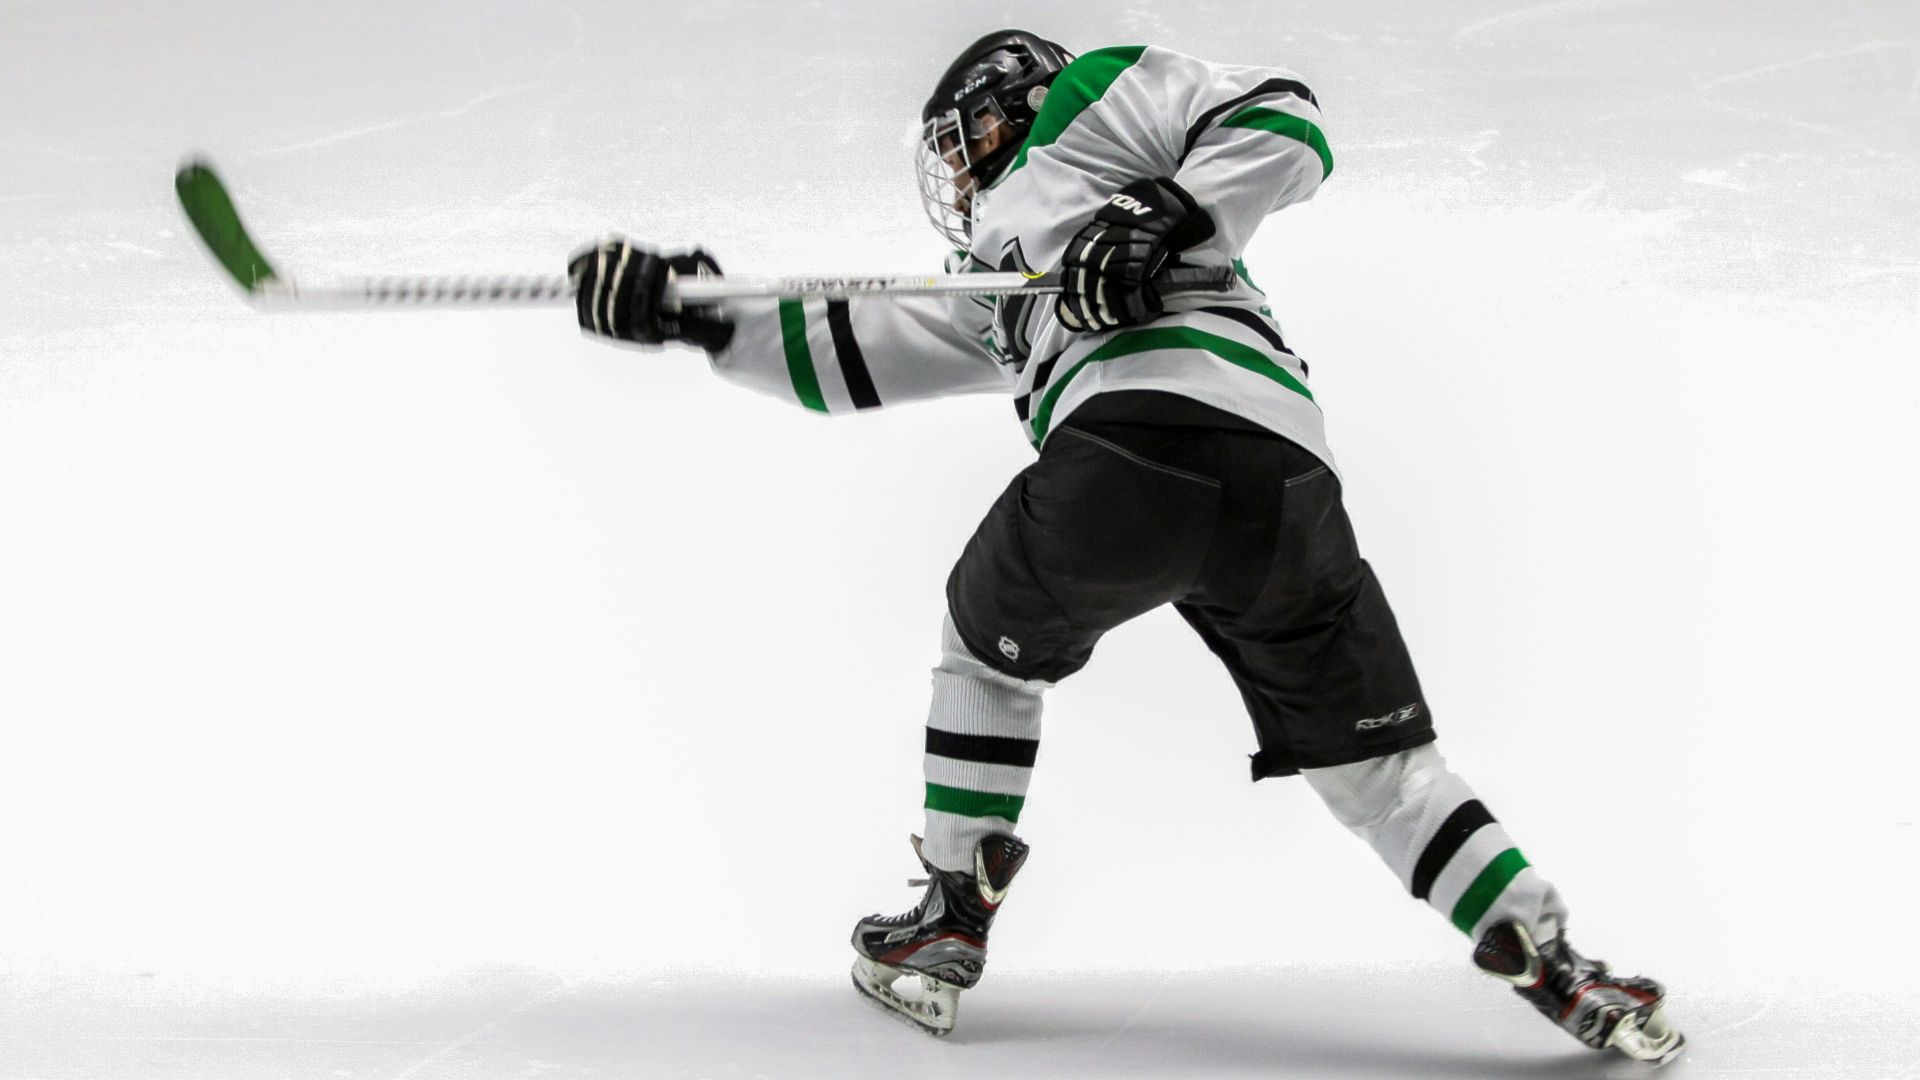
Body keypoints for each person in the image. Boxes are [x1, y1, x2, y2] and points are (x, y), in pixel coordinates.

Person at [569, 30, 1684, 1066]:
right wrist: (698, 312)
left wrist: (1167, 210)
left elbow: (1286, 122)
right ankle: (1553, 960)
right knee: (1381, 773)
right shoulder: (995, 282)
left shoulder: (1088, 104)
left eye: (957, 148)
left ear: (999, 109)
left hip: (1133, 452)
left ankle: (951, 917)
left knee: (984, 638)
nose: (954, 180)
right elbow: (851, 354)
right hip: (1284, 486)